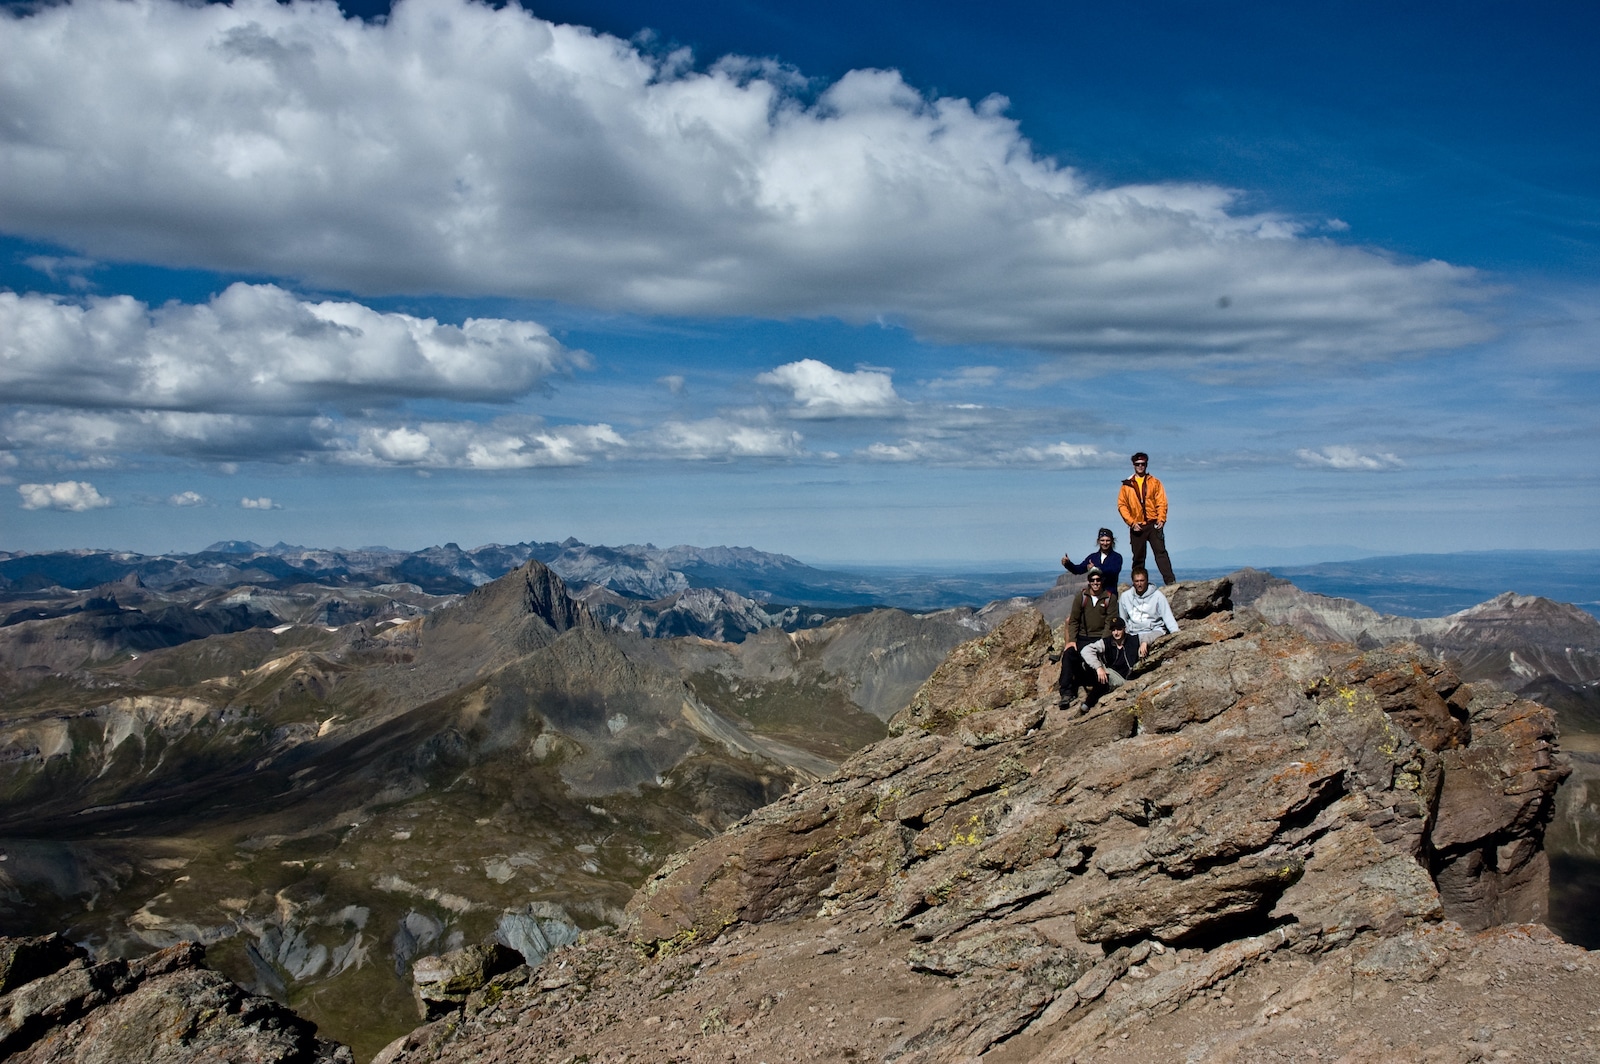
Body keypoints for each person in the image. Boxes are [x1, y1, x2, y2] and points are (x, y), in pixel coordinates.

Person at [1058, 569, 1117, 707]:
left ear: (1102, 581)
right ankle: (1066, 692)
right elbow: (1074, 620)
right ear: (1089, 582)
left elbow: (1110, 622)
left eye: (1098, 580)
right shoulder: (1081, 597)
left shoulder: (1110, 598)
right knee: (1069, 655)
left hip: (1099, 639)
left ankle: (1098, 687)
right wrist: (1072, 640)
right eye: (1092, 580)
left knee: (1095, 660)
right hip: (1083, 638)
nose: (1095, 583)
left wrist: (1102, 643)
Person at [1117, 452, 1176, 585]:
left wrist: (1161, 519)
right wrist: (1131, 523)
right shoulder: (1127, 485)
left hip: (1153, 523)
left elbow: (1161, 501)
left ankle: (1170, 582)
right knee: (1138, 558)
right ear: (1133, 465)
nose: (1140, 466)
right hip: (1137, 526)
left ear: (1146, 465)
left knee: (1161, 553)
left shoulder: (1154, 482)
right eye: (1138, 464)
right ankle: (1138, 585)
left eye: (1143, 464)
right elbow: (1122, 505)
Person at [1079, 617, 1142, 707]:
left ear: (1124, 629)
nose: (1116, 633)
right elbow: (1085, 650)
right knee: (1086, 664)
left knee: (1104, 679)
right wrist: (1099, 668)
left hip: (1122, 678)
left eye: (1119, 629)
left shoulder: (1133, 640)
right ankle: (1091, 692)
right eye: (1113, 630)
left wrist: (1145, 642)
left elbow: (1156, 634)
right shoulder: (1107, 642)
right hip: (1110, 671)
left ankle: (1088, 704)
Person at [1119, 567, 1180, 650]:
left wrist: (1177, 636)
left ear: (1147, 580)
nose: (1139, 584)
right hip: (1134, 633)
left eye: (1142, 580)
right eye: (1137, 581)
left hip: (1154, 631)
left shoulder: (1158, 596)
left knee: (1146, 640)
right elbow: (1123, 620)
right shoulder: (1125, 597)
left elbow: (1168, 617)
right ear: (1133, 582)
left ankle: (1144, 643)